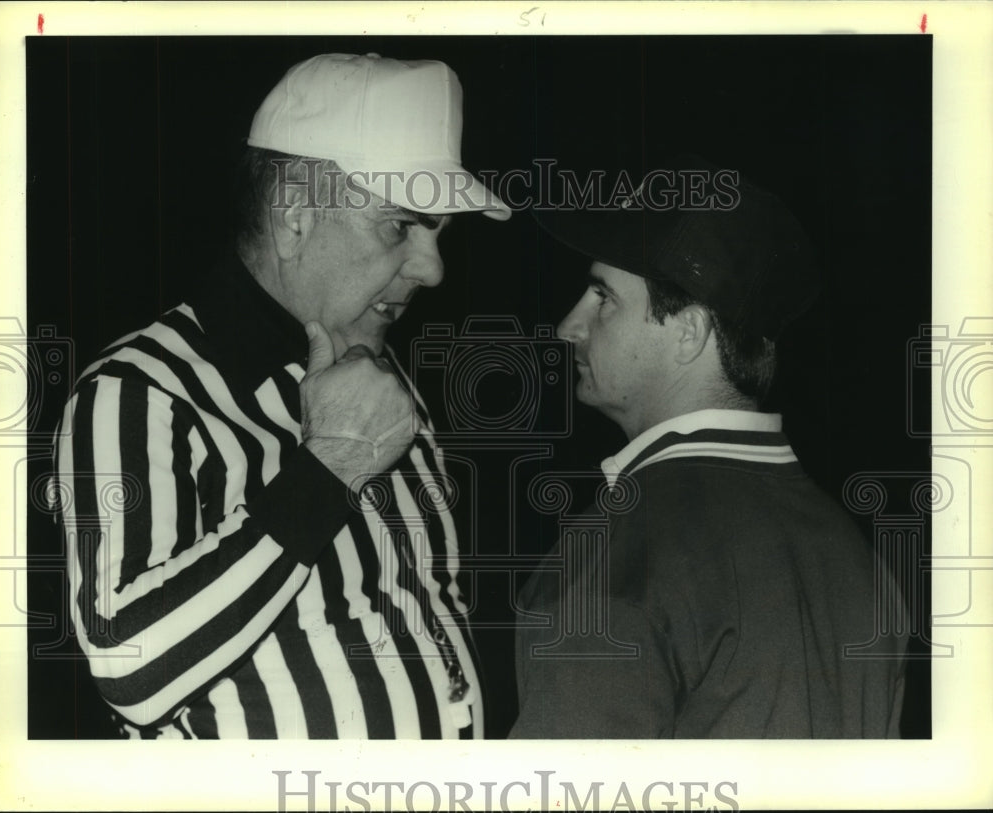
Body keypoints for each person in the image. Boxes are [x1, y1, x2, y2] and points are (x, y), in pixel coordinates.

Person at [53, 52, 510, 739]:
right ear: (294, 214)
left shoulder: (387, 384)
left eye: (440, 231)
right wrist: (328, 468)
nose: (433, 268)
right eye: (400, 224)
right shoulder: (144, 388)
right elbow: (127, 666)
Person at [510, 160, 907, 738]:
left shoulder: (619, 554)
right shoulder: (854, 553)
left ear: (689, 333)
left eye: (603, 298)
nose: (569, 325)